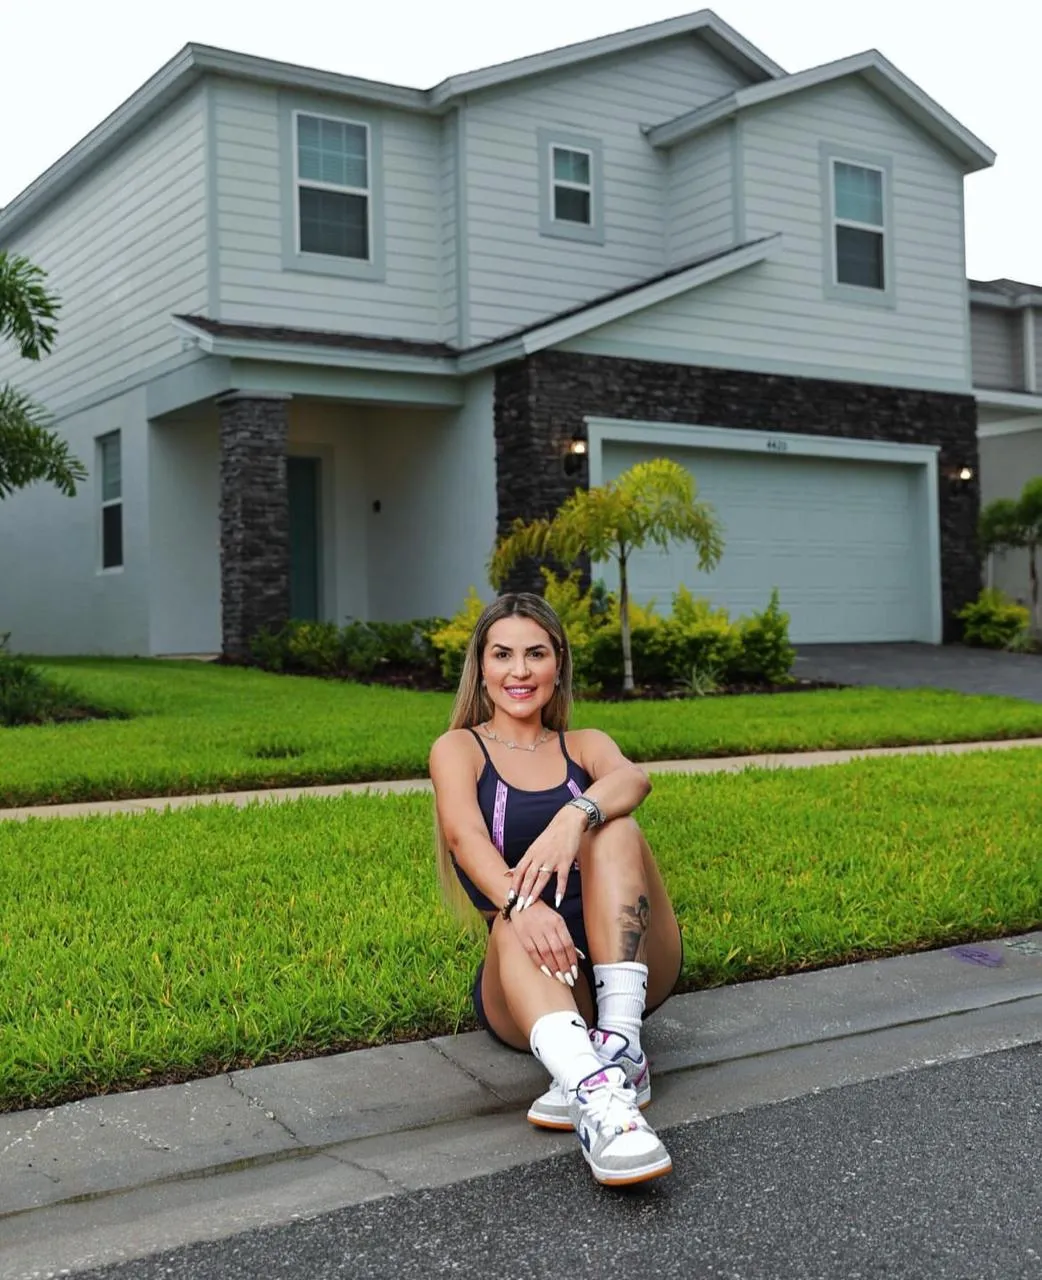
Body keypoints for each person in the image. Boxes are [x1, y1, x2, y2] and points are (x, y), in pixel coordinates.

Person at [429, 592, 684, 1187]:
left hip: (627, 969)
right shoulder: (459, 748)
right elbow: (467, 842)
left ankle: (620, 1048)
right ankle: (599, 1099)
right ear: (482, 667)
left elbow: (634, 779)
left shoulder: (584, 746)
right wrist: (522, 907)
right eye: (503, 655)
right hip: (533, 978)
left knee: (613, 826)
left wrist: (575, 816)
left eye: (535, 654)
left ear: (559, 662)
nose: (519, 671)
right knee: (511, 922)